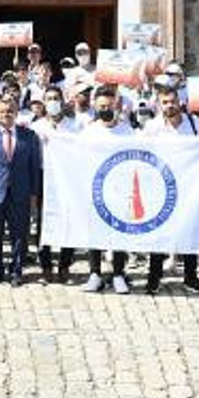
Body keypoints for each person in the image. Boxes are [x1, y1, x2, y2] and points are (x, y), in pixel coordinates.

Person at [143, 88, 199, 295]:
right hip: (161, 187)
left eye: (172, 101)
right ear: (159, 105)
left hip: (189, 185)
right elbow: (140, 149)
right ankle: (154, 277)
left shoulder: (194, 124)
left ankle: (190, 276)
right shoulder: (152, 127)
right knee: (159, 232)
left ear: (179, 102)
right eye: (165, 102)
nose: (169, 105)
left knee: (190, 230)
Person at [0, 97, 43, 287]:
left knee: (19, 234)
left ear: (16, 113)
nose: (6, 114)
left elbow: (34, 167)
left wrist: (33, 194)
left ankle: (16, 270)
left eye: (10, 111)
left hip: (20, 193)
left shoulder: (29, 136)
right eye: (3, 111)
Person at [78, 86, 132, 294]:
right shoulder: (89, 132)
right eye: (101, 106)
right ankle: (95, 273)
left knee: (118, 232)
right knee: (95, 232)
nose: (105, 109)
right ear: (94, 106)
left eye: (109, 106)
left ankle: (118, 273)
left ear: (117, 105)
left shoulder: (127, 131)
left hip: (120, 189)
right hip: (95, 189)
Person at [29, 86, 81, 282]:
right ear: (43, 102)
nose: (53, 101)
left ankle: (65, 265)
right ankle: (46, 265)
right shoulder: (37, 127)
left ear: (62, 100)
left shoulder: (74, 126)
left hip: (67, 177)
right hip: (43, 177)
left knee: (68, 220)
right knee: (43, 222)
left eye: (56, 98)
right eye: (49, 98)